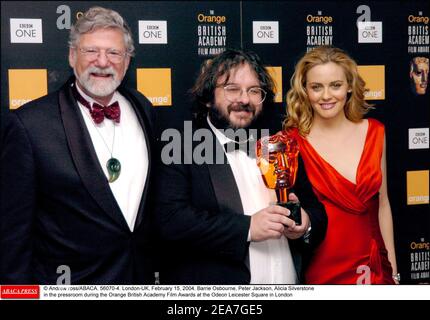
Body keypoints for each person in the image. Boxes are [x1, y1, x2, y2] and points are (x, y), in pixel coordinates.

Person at [0, 7, 157, 284]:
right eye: (91, 51)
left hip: (138, 278)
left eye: (113, 53)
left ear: (127, 60)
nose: (102, 61)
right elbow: (13, 234)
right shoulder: (29, 125)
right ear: (72, 56)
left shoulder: (142, 107)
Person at [154, 49, 327, 284]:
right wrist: (247, 228)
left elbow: (315, 210)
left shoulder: (276, 142)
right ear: (207, 97)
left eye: (254, 90)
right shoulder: (180, 145)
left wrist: (304, 223)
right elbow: (171, 221)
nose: (244, 99)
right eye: (232, 89)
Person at [284, 45, 399, 284]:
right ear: (305, 90)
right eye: (317, 87)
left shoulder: (375, 132)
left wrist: (394, 272)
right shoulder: (291, 143)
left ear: (349, 86)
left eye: (335, 85)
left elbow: (383, 205)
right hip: (322, 270)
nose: (326, 96)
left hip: (376, 268)